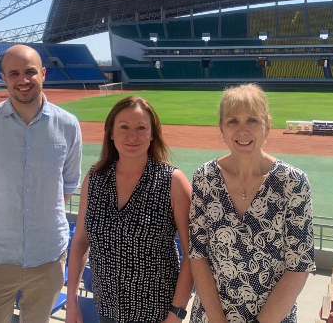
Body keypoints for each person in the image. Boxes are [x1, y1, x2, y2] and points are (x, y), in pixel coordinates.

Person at [0, 44, 82, 323]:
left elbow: (67, 185)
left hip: (48, 257)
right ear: (4, 78)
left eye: (30, 72)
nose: (23, 80)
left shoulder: (68, 125)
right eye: (14, 73)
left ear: (43, 73)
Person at [189, 84, 315, 323]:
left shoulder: (293, 182)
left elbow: (299, 265)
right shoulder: (204, 178)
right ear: (222, 128)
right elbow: (198, 256)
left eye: (252, 120)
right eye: (232, 121)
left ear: (267, 125)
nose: (243, 130)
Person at [66, 96, 193, 323]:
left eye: (141, 128)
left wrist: (176, 314)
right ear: (111, 132)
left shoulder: (172, 181)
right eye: (123, 127)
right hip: (106, 311)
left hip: (157, 315)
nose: (132, 136)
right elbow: (80, 241)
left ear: (152, 134)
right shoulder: (95, 178)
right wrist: (72, 300)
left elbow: (191, 254)